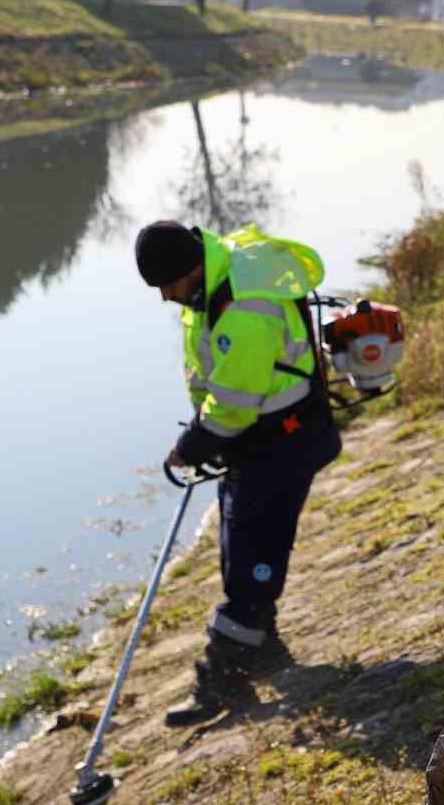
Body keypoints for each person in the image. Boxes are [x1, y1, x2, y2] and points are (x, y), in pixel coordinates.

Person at [135, 221, 341, 727]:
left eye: (168, 285)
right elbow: (223, 388)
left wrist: (192, 445)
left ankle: (223, 682)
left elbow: (234, 403)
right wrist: (209, 437)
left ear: (190, 269)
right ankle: (263, 647)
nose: (165, 298)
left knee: (251, 561)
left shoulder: (245, 307)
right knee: (239, 544)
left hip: (284, 439)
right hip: (258, 441)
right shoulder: (214, 281)